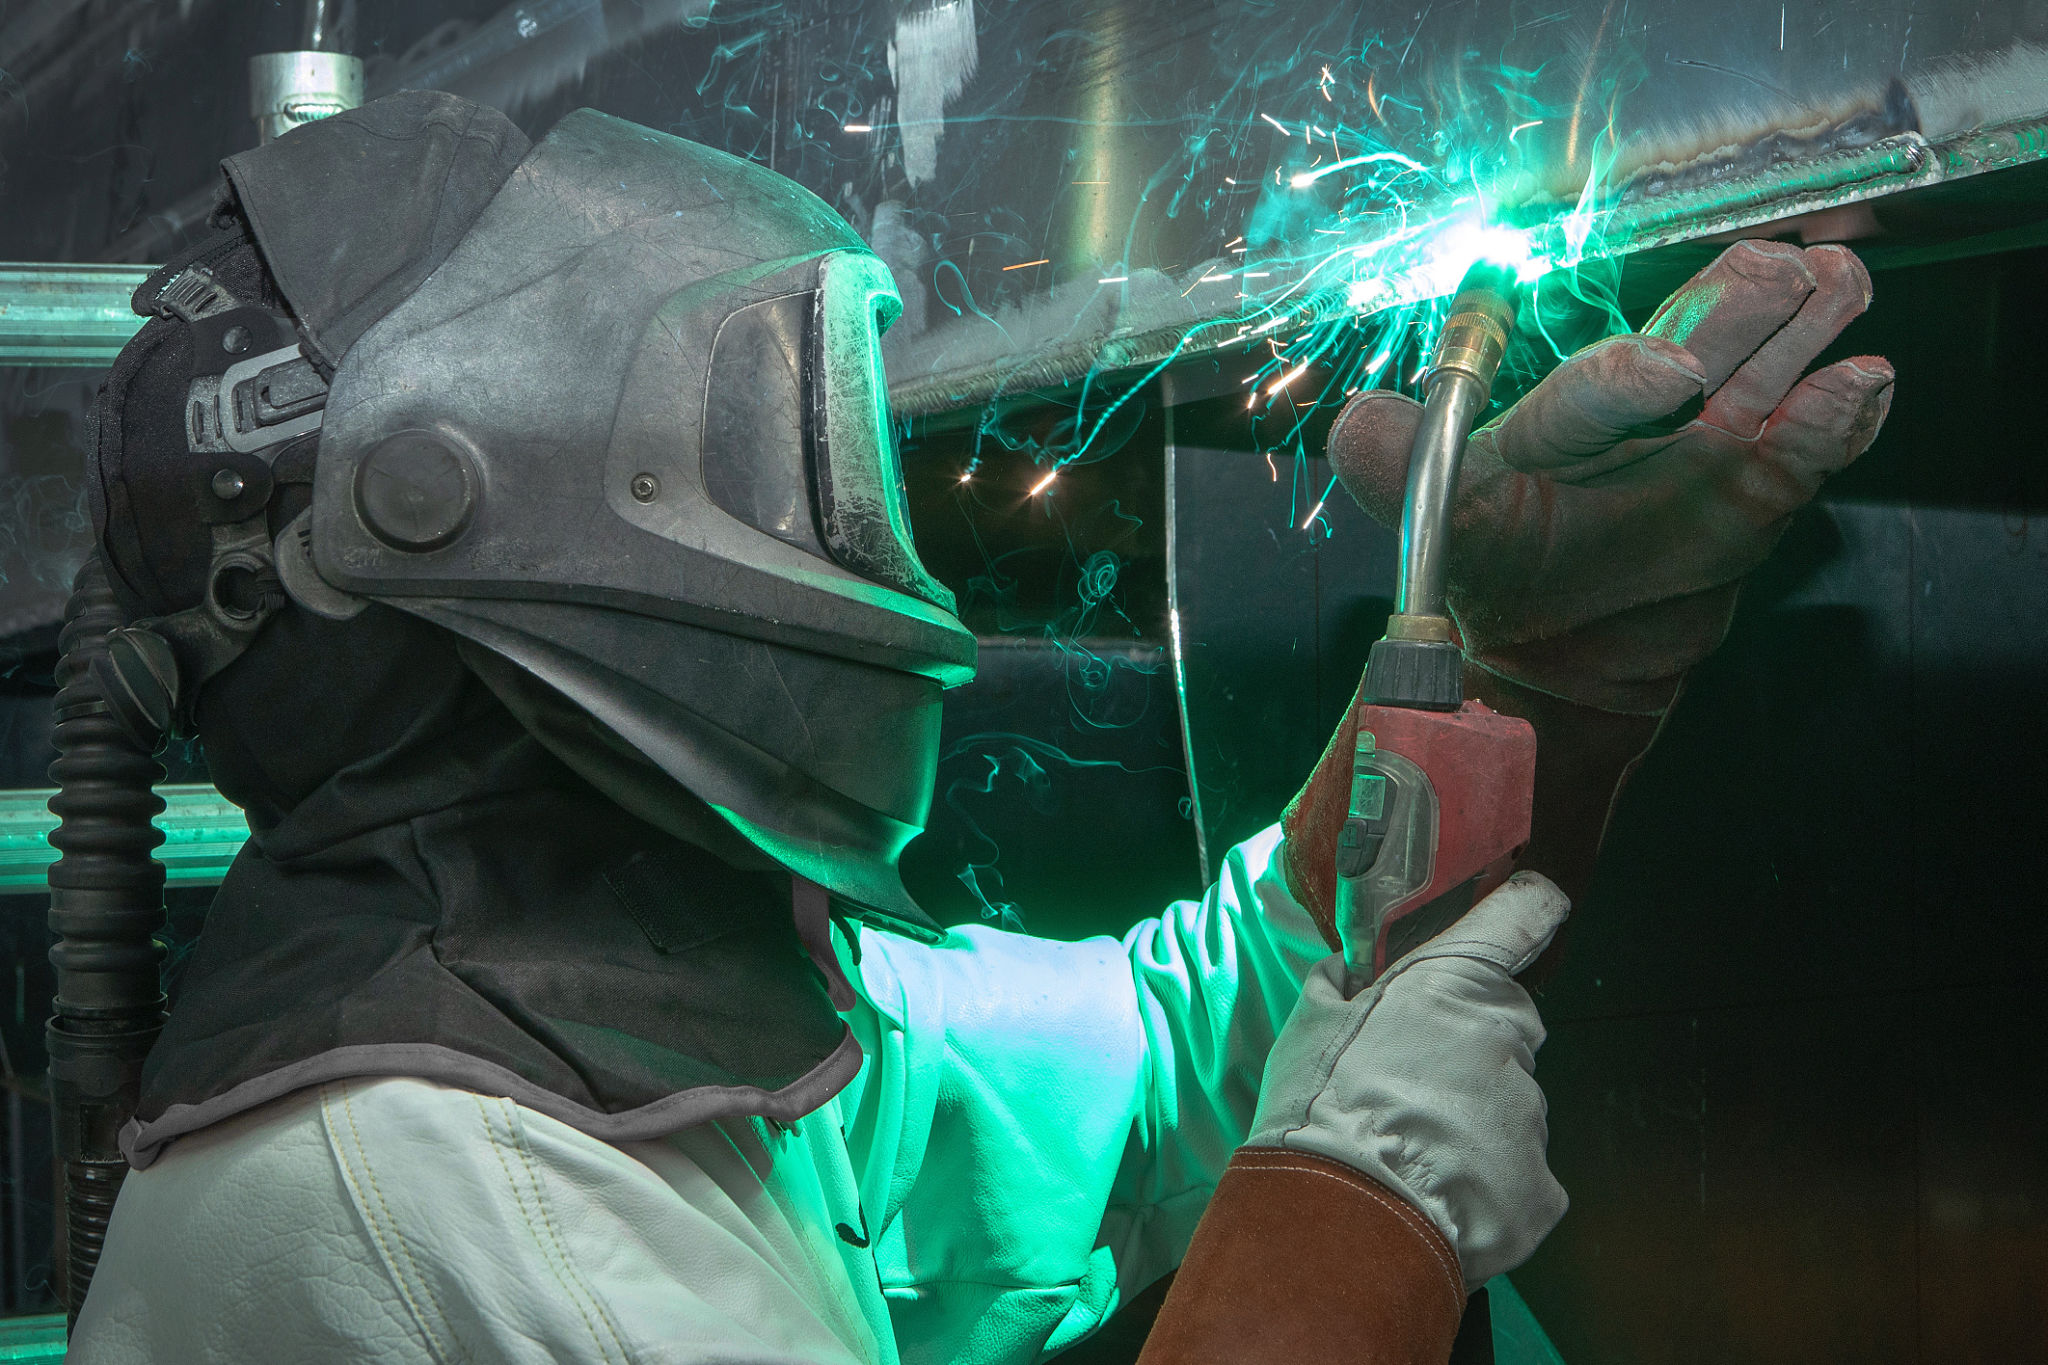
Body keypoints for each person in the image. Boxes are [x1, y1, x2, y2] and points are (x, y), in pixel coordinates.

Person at [64, 91, 1892, 1364]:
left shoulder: (627, 1027)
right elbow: (1307, 1117)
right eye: (776, 447)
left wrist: (1526, 662)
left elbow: (1191, 1048)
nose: (845, 524)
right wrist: (1361, 1207)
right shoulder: (455, 1206)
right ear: (461, 506)